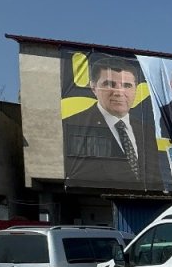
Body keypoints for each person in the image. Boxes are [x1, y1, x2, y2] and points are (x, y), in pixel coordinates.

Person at [64, 55, 162, 189]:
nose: (119, 92)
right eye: (109, 84)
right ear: (93, 88)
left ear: (135, 90)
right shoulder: (73, 124)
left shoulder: (147, 131)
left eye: (127, 85)